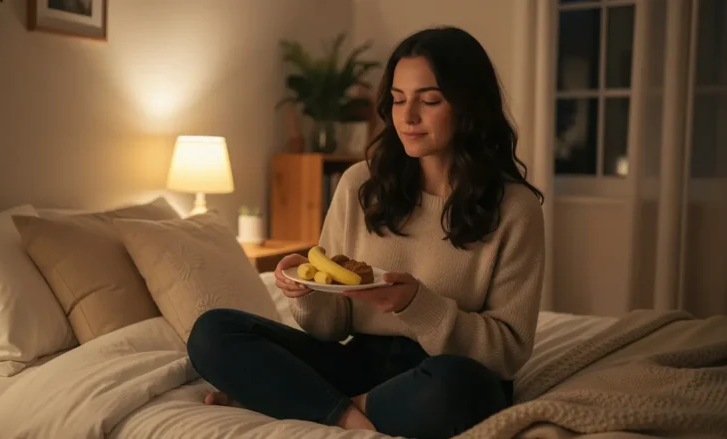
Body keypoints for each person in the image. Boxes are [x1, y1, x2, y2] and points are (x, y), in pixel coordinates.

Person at [186, 26, 545, 439]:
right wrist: (306, 294)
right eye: (397, 100)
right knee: (213, 332)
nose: (407, 117)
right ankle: (345, 415)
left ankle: (307, 403)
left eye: (429, 100)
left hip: (445, 372)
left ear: (468, 106)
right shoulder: (361, 185)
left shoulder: (515, 209)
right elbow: (330, 329)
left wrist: (416, 304)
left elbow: (508, 353)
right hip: (359, 365)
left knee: (460, 389)